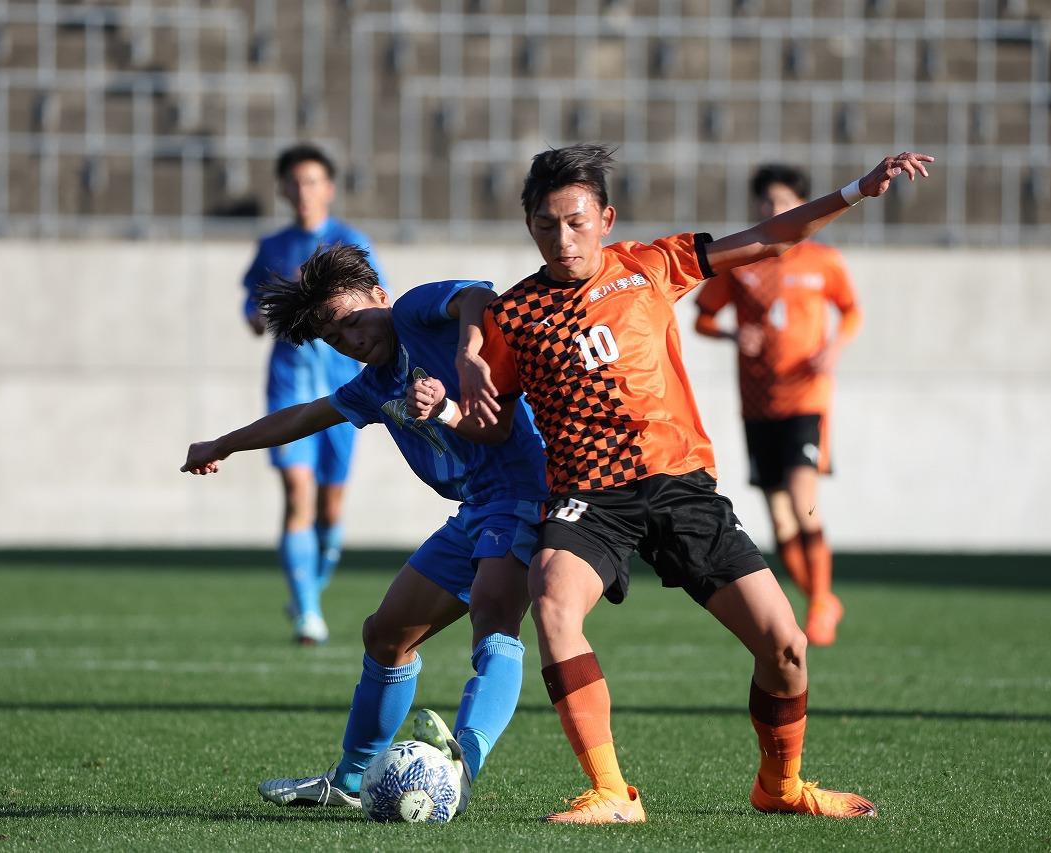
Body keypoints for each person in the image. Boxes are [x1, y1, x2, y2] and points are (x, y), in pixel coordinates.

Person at [410, 143, 931, 824]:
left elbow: (772, 237)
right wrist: (448, 408)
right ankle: (611, 791)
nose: (561, 239)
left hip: (681, 487)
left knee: (785, 646)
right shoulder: (516, 317)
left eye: (575, 221)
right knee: (554, 601)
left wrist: (857, 190)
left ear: (605, 217)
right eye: (545, 224)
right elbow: (492, 426)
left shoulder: (651, 264)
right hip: (589, 498)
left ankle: (781, 783)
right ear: (528, 224)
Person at [184, 245, 548, 812]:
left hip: (527, 494)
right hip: (476, 510)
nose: (351, 341)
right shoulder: (374, 385)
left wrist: (470, 356)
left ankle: (462, 766)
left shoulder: (413, 312)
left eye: (353, 322)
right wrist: (224, 445)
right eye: (336, 339)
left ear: (380, 297)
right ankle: (350, 781)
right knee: (385, 634)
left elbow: (478, 295)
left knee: (495, 618)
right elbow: (305, 415)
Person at [694, 163, 863, 646]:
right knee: (780, 518)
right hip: (758, 405)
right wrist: (731, 332)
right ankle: (821, 598)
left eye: (785, 203)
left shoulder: (823, 261)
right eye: (767, 202)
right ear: (756, 206)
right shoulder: (744, 262)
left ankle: (820, 603)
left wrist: (834, 347)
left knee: (802, 499)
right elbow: (703, 318)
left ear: (801, 207)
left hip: (806, 399)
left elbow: (852, 311)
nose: (775, 210)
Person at [241, 144, 386, 645]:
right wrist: (255, 316)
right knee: (297, 494)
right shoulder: (272, 247)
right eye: (295, 183)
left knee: (329, 507)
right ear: (282, 189)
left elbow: (377, 305)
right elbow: (251, 300)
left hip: (345, 389)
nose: (304, 192)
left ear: (329, 188)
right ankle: (307, 611)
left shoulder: (350, 242)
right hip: (289, 385)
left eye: (313, 182)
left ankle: (311, 588)